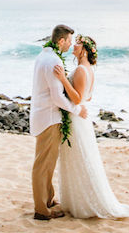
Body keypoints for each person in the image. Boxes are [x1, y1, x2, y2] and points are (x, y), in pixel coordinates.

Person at [54, 35, 129, 219]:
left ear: (84, 50)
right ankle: (78, 200)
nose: (74, 45)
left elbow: (78, 99)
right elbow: (88, 97)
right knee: (80, 158)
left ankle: (82, 203)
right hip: (81, 119)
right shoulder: (88, 70)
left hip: (77, 118)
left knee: (78, 158)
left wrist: (63, 79)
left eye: (78, 44)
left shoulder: (81, 70)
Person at [30, 24, 88, 220]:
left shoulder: (43, 55)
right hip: (49, 118)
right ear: (61, 41)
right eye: (69, 41)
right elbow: (57, 97)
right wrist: (77, 110)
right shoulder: (54, 61)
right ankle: (41, 210)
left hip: (43, 115)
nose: (70, 44)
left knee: (47, 162)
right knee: (43, 164)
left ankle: (48, 199)